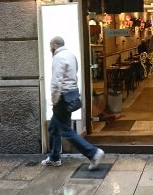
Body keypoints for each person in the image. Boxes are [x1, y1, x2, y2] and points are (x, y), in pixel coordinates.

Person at [42, 36, 105, 169]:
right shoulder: (71, 55)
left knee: (65, 130)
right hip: (71, 95)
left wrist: (54, 99)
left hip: (62, 97)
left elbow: (56, 81)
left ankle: (93, 153)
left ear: (54, 45)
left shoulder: (58, 58)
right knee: (54, 127)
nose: (49, 49)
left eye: (50, 46)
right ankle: (54, 157)